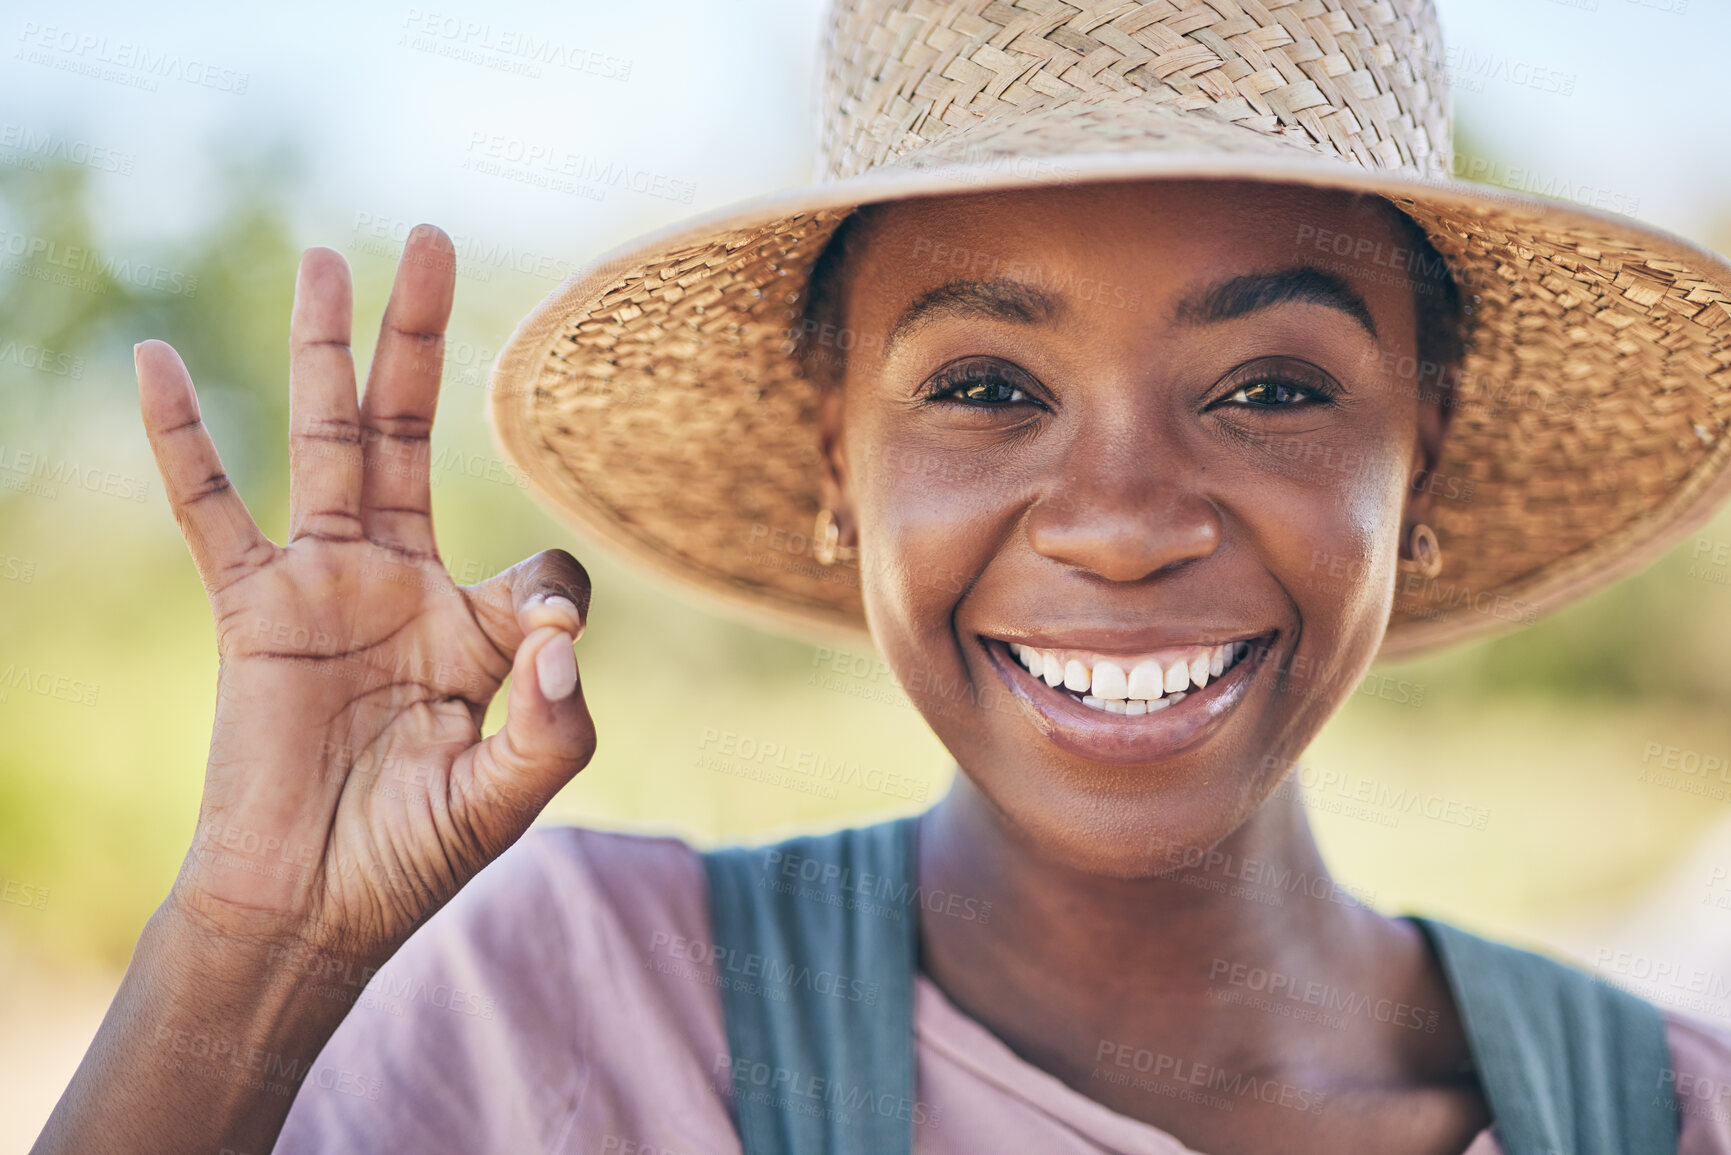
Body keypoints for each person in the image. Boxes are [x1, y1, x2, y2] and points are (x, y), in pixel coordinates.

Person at [32, 1, 1731, 1152]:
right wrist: (252, 950)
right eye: (989, 389)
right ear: (833, 457)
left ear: (1417, 453)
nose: (1121, 520)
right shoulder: (566, 1021)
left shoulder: (1667, 1112)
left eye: (1272, 389)